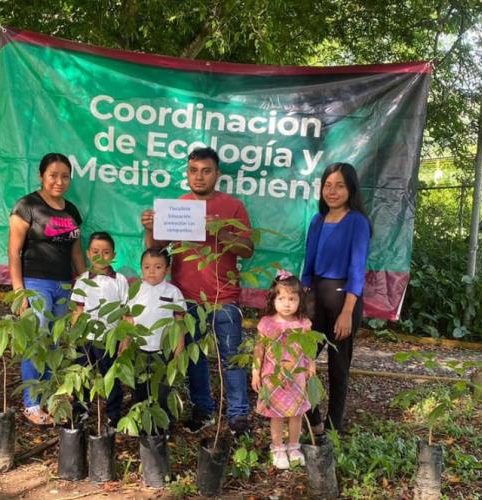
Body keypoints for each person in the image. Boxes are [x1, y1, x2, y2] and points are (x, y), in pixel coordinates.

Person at [141, 147, 254, 436]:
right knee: (194, 358)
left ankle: (238, 417)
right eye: (193, 171)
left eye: (206, 170)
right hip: (186, 298)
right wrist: (150, 228)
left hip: (223, 299)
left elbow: (247, 249)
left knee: (232, 358)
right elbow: (155, 249)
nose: (199, 176)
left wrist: (219, 231)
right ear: (187, 174)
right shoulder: (178, 205)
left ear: (217, 174)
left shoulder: (234, 207)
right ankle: (203, 410)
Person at [9, 152, 86, 426]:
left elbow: (76, 251)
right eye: (53, 175)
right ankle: (31, 403)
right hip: (36, 283)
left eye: (65, 176)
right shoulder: (27, 205)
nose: (59, 181)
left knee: (58, 342)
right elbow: (14, 251)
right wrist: (20, 292)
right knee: (37, 340)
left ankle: (53, 399)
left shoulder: (71, 210)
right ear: (41, 176)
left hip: (65, 284)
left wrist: (85, 284)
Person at [301, 162, 371, 434]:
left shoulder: (357, 222)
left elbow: (356, 269)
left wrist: (347, 312)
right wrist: (304, 301)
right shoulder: (318, 220)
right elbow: (308, 265)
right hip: (316, 297)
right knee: (301, 360)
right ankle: (314, 420)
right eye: (328, 185)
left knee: (337, 366)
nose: (332, 191)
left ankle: (333, 428)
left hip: (344, 299)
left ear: (350, 189)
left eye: (339, 185)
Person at [252, 271, 315, 469]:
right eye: (281, 298)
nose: (287, 303)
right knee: (277, 414)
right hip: (273, 376)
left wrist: (311, 363)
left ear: (299, 301)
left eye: (292, 299)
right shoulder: (267, 323)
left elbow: (309, 346)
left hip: (297, 376)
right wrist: (255, 372)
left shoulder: (303, 324)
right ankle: (278, 448)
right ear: (273, 299)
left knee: (296, 413)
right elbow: (259, 349)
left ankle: (294, 447)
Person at [119, 248, 186, 430]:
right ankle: (141, 423)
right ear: (141, 268)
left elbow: (180, 324)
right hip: (139, 351)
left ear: (167, 269)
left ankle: (163, 428)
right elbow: (129, 320)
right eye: (147, 267)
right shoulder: (135, 290)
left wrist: (179, 350)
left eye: (158, 267)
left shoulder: (173, 293)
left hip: (163, 353)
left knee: (163, 391)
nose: (151, 271)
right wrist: (124, 345)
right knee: (139, 389)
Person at [71, 231, 129, 428]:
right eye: (96, 251)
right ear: (88, 254)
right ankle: (81, 410)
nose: (100, 256)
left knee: (110, 376)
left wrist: (125, 339)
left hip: (109, 339)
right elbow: (78, 310)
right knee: (83, 374)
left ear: (113, 255)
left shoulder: (120, 280)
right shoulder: (83, 280)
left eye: (106, 252)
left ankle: (113, 415)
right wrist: (74, 337)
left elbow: (125, 313)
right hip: (86, 338)